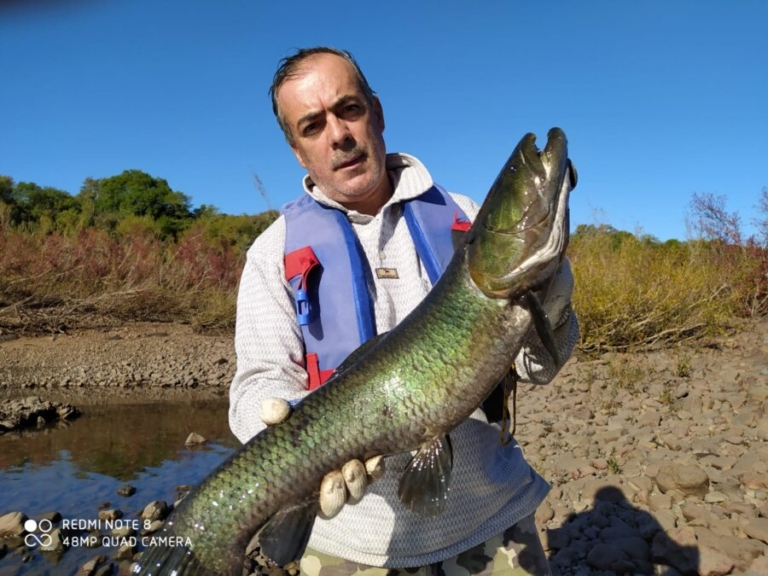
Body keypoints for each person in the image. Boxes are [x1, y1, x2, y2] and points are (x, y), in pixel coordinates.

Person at [229, 47, 579, 576]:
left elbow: (539, 368)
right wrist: (288, 425)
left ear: (377, 112)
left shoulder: (466, 217)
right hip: (349, 539)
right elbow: (254, 388)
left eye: (348, 109)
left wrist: (550, 300)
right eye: (312, 125)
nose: (338, 134)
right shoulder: (270, 253)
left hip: (491, 516)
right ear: (299, 152)